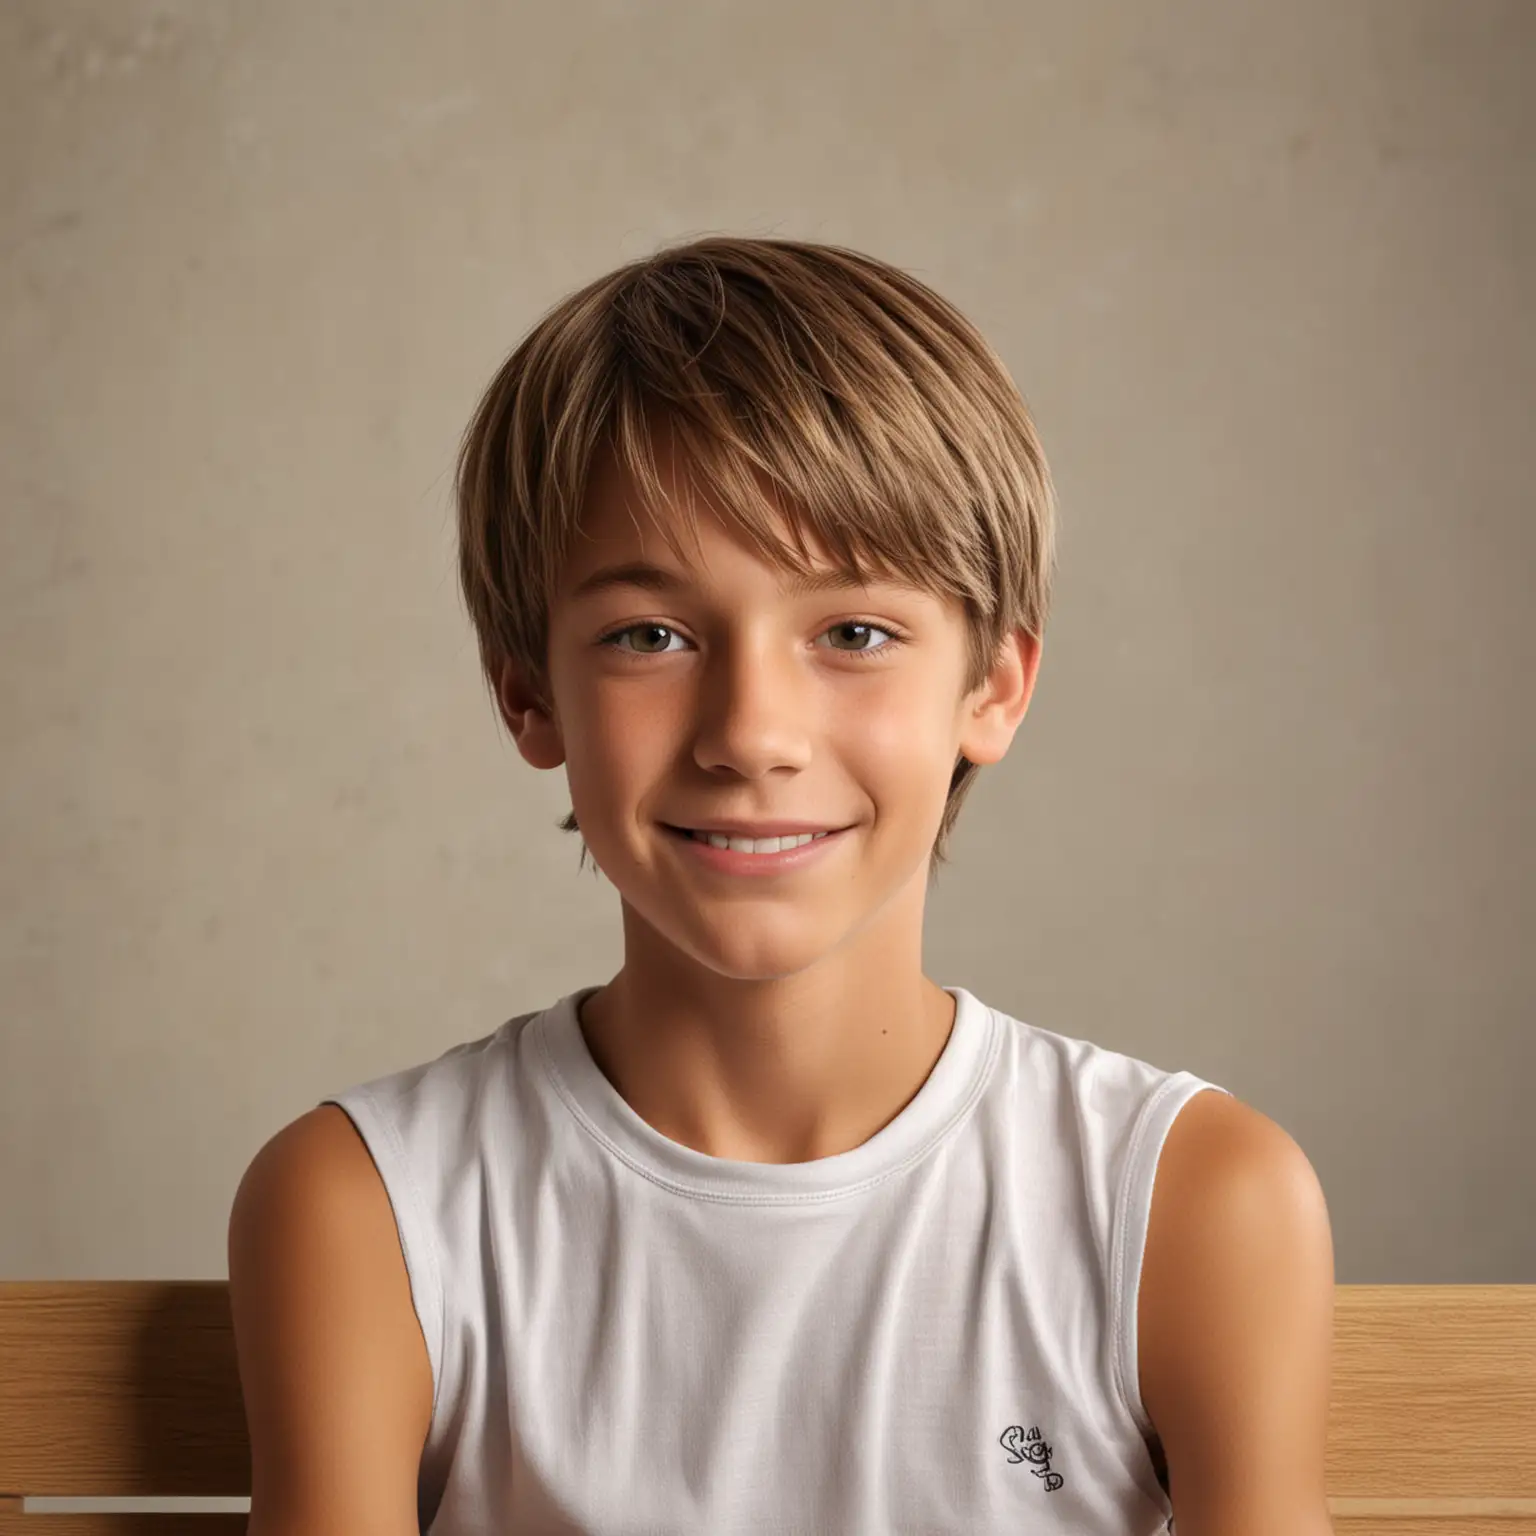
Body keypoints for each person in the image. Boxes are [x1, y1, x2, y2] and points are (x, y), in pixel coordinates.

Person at [227, 237, 1336, 1535]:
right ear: (530, 694)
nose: (752, 732)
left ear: (993, 686)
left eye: (854, 633)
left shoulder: (1190, 1202)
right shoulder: (370, 1207)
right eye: (652, 637)